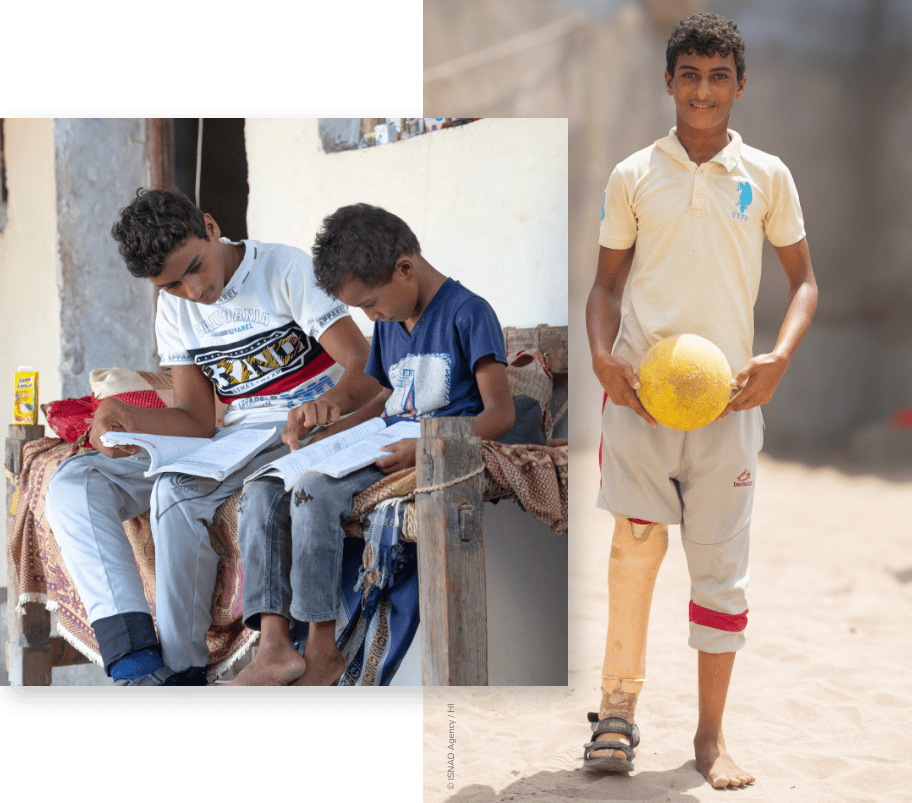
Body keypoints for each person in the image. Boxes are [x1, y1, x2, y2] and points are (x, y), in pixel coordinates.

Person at [585, 14, 818, 787]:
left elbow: (804, 282)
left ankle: (710, 738)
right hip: (640, 405)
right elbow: (605, 287)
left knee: (720, 571)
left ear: (740, 86)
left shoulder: (768, 177)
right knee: (634, 550)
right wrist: (603, 358)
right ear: (668, 82)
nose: (703, 90)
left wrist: (778, 358)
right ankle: (616, 713)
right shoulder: (633, 175)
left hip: (729, 410)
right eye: (690, 75)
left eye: (719, 77)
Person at [45, 188, 380, 686]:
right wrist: (128, 417)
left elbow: (365, 366)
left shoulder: (284, 270)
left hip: (298, 430)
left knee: (174, 491)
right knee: (72, 483)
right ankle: (137, 664)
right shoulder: (174, 308)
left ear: (210, 227)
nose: (194, 290)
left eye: (195, 267)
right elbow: (197, 421)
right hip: (231, 440)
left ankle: (182, 673)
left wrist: (327, 404)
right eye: (172, 284)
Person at [230, 202, 516, 686]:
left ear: (405, 269)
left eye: (369, 305)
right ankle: (274, 645)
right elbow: (387, 400)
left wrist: (429, 446)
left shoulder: (469, 313)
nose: (370, 316)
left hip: (422, 445)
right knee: (262, 487)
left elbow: (500, 414)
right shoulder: (389, 321)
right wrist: (332, 431)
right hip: (384, 438)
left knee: (313, 491)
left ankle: (322, 650)